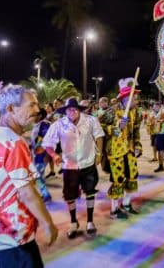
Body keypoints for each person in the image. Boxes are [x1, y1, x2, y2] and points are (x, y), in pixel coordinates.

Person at [0, 84, 57, 267]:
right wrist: (48, 223)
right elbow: (27, 192)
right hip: (12, 238)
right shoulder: (13, 142)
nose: (37, 110)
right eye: (31, 105)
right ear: (10, 109)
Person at [43, 98, 105, 238]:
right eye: (69, 109)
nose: (73, 111)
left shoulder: (90, 120)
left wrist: (99, 153)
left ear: (79, 110)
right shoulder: (59, 124)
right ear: (65, 111)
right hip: (69, 165)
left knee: (90, 191)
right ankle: (73, 222)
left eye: (75, 109)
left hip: (88, 163)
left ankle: (90, 221)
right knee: (70, 195)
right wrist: (54, 155)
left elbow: (99, 135)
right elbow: (48, 142)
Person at [104, 78, 142, 219]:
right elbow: (98, 126)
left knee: (132, 176)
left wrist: (138, 145)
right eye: (134, 98)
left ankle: (126, 204)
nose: (136, 101)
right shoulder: (112, 111)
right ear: (126, 99)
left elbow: (136, 131)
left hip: (130, 149)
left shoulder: (135, 113)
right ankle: (114, 210)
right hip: (115, 151)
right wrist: (114, 128)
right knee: (118, 179)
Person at [29, 108, 52, 202]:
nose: (32, 116)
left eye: (34, 114)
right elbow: (35, 139)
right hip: (37, 154)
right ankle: (45, 194)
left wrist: (47, 154)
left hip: (42, 154)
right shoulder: (37, 125)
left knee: (38, 175)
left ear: (40, 115)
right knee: (38, 175)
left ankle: (46, 194)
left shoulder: (44, 124)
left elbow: (46, 140)